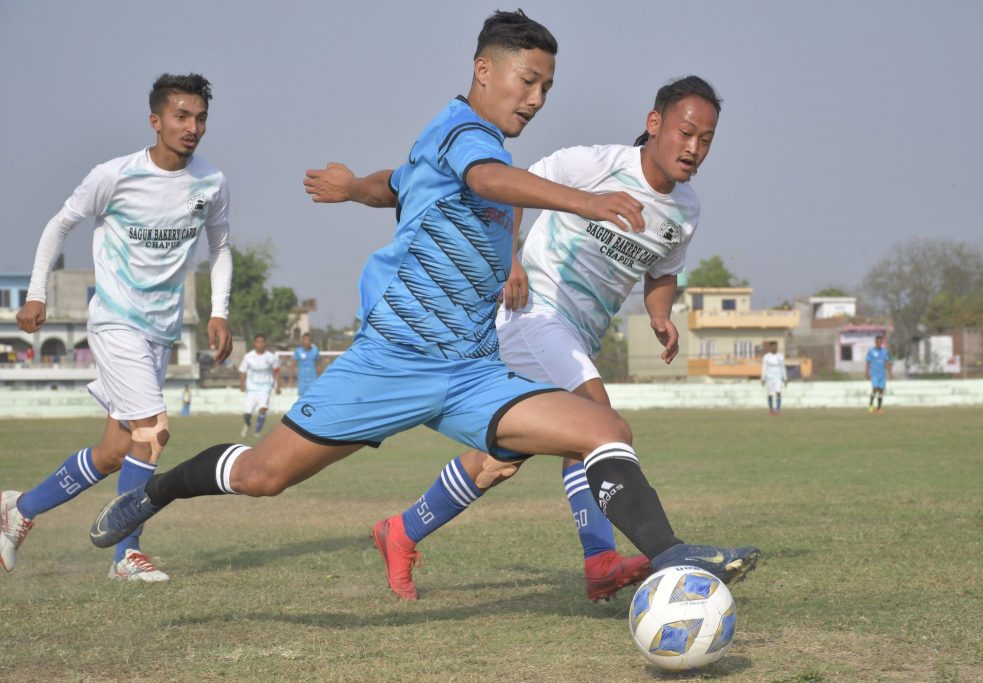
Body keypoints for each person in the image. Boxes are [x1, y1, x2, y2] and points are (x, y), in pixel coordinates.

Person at [90, 11, 758, 598]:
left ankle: (671, 557)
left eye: (547, 88)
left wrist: (355, 186)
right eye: (527, 81)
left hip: (471, 371)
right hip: (393, 360)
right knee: (265, 475)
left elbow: (402, 182)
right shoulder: (462, 130)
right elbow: (486, 179)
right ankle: (155, 492)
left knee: (605, 429)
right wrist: (587, 202)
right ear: (484, 70)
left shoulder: (468, 147)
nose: (536, 99)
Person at [306, 76, 719, 601]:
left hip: (577, 336)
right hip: (533, 313)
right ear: (654, 123)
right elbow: (510, 186)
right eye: (686, 132)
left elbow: (663, 269)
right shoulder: (594, 164)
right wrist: (512, 260)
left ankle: (402, 531)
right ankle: (603, 561)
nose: (693, 147)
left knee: (500, 458)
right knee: (597, 423)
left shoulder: (686, 210)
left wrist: (660, 314)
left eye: (706, 139)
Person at [2, 73, 233, 582]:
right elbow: (60, 225)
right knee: (153, 432)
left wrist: (219, 310)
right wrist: (37, 293)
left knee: (113, 452)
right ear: (156, 121)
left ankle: (19, 508)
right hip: (115, 321)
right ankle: (126, 555)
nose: (192, 127)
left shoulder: (211, 182)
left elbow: (219, 247)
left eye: (200, 118)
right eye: (181, 116)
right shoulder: (114, 175)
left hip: (161, 331)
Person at [239, 334, 281, 438]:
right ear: (254, 343)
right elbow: (243, 371)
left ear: (265, 343)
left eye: (262, 342)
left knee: (263, 409)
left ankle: (257, 432)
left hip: (265, 387)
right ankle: (247, 424)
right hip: (252, 388)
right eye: (258, 342)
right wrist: (242, 384)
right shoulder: (248, 356)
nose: (260, 344)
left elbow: (276, 371)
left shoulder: (271, 357)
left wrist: (278, 386)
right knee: (247, 414)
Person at [866, 335, 891, 413]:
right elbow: (868, 362)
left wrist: (889, 372)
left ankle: (879, 408)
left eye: (881, 342)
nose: (879, 343)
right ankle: (870, 405)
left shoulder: (884, 351)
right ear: (875, 342)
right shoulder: (871, 351)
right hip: (874, 373)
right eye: (878, 342)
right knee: (875, 388)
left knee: (881, 390)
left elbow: (887, 362)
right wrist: (867, 372)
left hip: (882, 374)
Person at [761, 341, 787, 415]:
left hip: (778, 377)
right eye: (772, 347)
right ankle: (771, 410)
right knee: (770, 394)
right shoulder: (766, 357)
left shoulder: (780, 356)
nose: (774, 348)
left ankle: (778, 410)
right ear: (770, 347)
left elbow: (782, 367)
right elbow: (764, 367)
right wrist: (763, 378)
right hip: (769, 378)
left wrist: (785, 378)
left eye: (775, 347)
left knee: (778, 392)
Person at [292, 333, 321, 397]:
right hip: (302, 380)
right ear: (302, 341)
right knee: (302, 398)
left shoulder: (315, 351)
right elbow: (293, 365)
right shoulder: (298, 351)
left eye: (308, 339)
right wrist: (292, 379)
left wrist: (319, 377)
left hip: (313, 378)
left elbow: (318, 364)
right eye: (305, 339)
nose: (307, 341)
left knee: (313, 397)